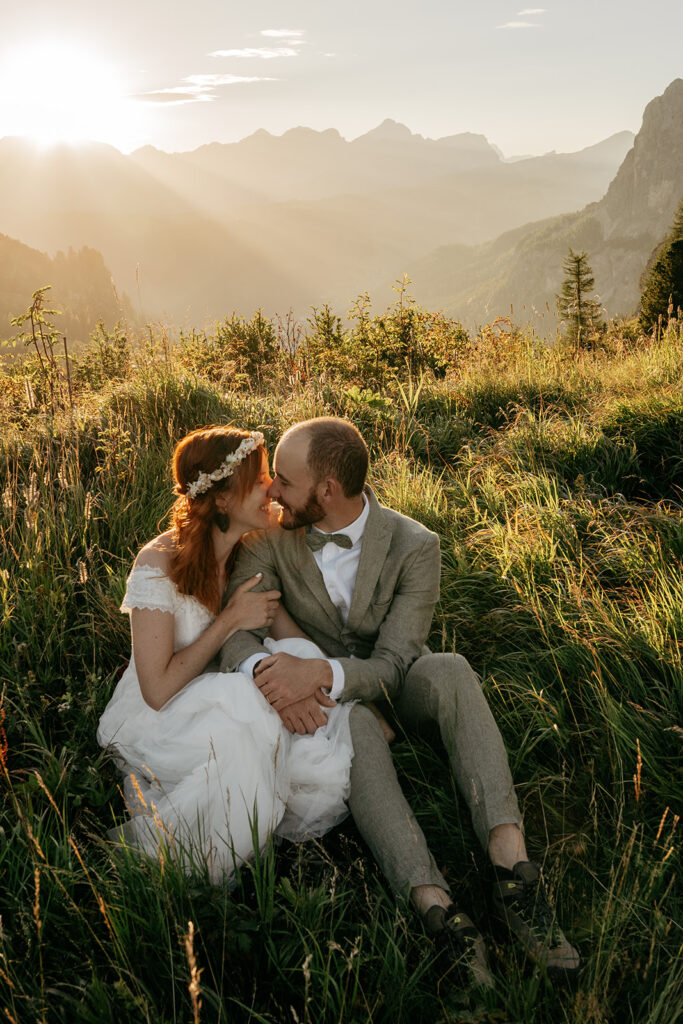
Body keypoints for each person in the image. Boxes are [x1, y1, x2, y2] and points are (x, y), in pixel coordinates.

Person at [219, 417, 581, 990]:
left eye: (284, 481)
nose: (272, 491)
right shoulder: (268, 539)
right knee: (356, 725)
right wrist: (269, 671)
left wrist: (325, 672)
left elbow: (392, 666)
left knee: (453, 671)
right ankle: (437, 908)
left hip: (395, 682)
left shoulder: (416, 545)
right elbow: (235, 632)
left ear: (327, 491)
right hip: (340, 707)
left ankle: (513, 870)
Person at [97, 426, 355, 884]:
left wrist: (308, 674)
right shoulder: (158, 564)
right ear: (220, 499)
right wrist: (229, 621)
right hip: (167, 710)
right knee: (242, 737)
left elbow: (282, 626)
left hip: (229, 686)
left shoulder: (252, 543)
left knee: (287, 686)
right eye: (258, 480)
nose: (272, 490)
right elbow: (156, 690)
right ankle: (181, 866)